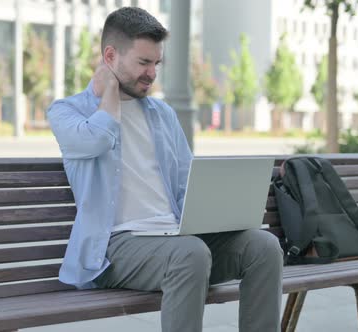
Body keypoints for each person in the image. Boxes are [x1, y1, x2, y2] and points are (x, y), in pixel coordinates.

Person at [47, 7, 283, 332]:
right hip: (114, 247)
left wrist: (220, 215)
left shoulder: (162, 114)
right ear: (110, 56)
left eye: (156, 63)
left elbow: (187, 184)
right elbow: (96, 141)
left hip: (174, 239)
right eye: (143, 62)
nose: (152, 73)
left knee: (263, 247)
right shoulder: (67, 111)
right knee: (189, 254)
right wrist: (110, 92)